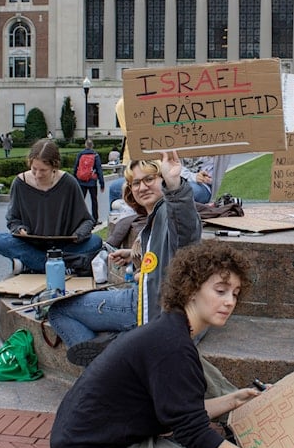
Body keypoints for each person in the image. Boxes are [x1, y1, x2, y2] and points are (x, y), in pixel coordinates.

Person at [50, 242, 294, 448]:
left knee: (200, 373)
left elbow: (186, 414)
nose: (230, 301)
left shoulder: (172, 330)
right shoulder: (172, 346)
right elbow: (192, 431)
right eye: (220, 291)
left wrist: (236, 399)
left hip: (96, 435)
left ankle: (227, 430)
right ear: (191, 288)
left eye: (235, 293)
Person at [48, 151, 202, 366]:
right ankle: (116, 344)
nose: (142, 187)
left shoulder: (169, 210)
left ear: (163, 180)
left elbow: (186, 235)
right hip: (158, 303)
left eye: (149, 179)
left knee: (58, 310)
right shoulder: (156, 215)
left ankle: (103, 368)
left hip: (150, 307)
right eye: (135, 183)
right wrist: (133, 255)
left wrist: (175, 185)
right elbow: (166, 251)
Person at [0, 139, 102, 274]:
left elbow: (87, 221)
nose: (37, 175)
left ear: (54, 167)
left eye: (43, 170)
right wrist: (19, 229)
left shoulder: (69, 183)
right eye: (34, 169)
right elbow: (13, 219)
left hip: (63, 246)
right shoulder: (19, 183)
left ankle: (35, 264)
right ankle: (61, 265)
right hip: (31, 245)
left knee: (96, 241)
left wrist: (78, 235)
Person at [73, 139, 106, 221]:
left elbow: (75, 167)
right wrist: (102, 183)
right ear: (92, 146)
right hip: (92, 182)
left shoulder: (80, 154)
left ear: (85, 145)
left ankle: (78, 218)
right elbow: (99, 170)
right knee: (94, 201)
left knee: (80, 200)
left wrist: (75, 179)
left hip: (81, 181)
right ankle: (95, 219)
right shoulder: (95, 155)